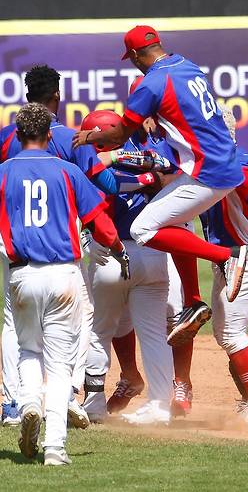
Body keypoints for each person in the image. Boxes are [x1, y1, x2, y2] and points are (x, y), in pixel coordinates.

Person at [0, 103, 128, 465]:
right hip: (64, 275)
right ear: (50, 135)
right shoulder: (68, 171)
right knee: (61, 363)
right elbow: (102, 225)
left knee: (28, 350)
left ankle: (29, 403)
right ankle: (55, 447)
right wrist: (116, 248)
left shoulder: (0, 174)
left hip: (22, 276)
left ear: (18, 136)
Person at [73, 25, 248, 347]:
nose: (134, 63)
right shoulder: (186, 64)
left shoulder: (152, 82)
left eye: (132, 59)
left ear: (137, 55)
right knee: (175, 221)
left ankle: (227, 256)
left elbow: (119, 134)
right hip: (223, 162)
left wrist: (90, 138)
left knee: (143, 229)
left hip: (206, 170)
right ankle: (193, 301)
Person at [0, 65, 109, 428]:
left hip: (14, 237)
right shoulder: (72, 138)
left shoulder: (7, 137)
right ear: (57, 95)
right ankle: (68, 392)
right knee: (80, 315)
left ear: (27, 98)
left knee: (14, 323)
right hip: (62, 240)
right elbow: (102, 183)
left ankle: (14, 404)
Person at [171, 106, 248, 423]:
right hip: (227, 259)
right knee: (226, 334)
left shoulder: (239, 159)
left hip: (245, 255)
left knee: (231, 335)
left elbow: (242, 180)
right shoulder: (201, 166)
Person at [79, 109, 175, 425]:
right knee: (153, 335)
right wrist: (147, 177)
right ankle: (161, 406)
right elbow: (167, 175)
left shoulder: (86, 167)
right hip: (152, 253)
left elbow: (104, 189)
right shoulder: (150, 157)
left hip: (110, 255)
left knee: (100, 332)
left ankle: (93, 404)